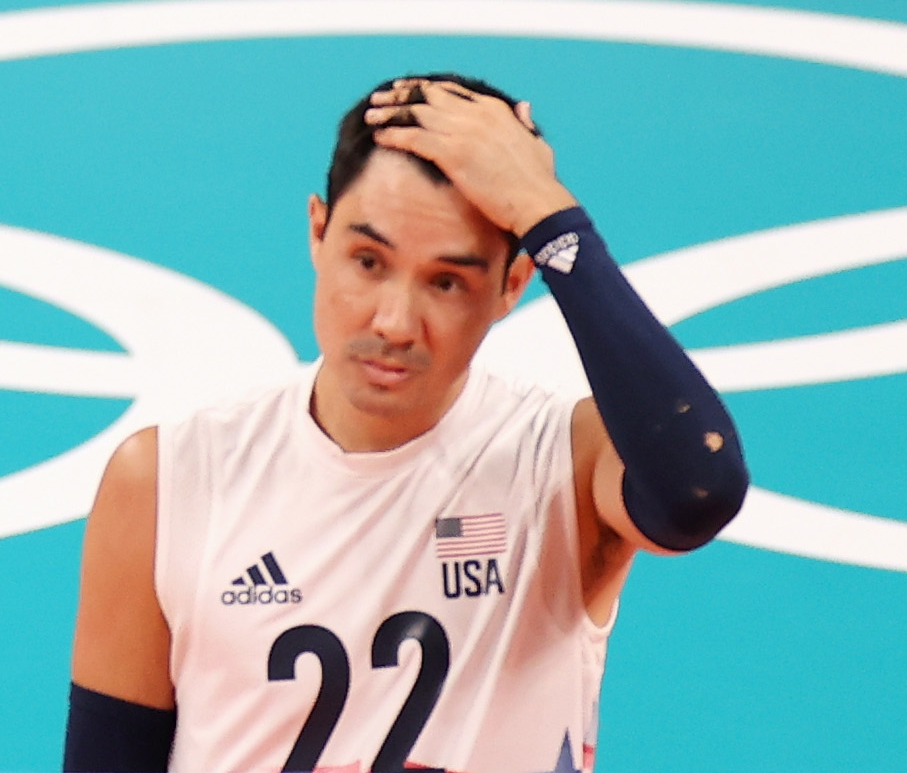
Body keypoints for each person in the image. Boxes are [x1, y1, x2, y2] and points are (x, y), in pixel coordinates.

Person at [63, 75, 750, 773]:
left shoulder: (563, 465)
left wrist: (552, 220)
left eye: (446, 282)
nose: (394, 323)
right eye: (368, 262)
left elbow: (698, 489)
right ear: (317, 232)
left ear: (512, 286)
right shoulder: (169, 482)